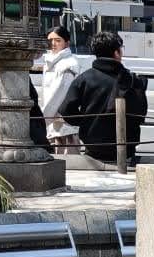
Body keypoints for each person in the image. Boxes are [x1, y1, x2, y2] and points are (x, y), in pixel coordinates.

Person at [58, 31, 148, 165]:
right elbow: (141, 112)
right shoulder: (132, 80)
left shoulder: (85, 79)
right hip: (126, 150)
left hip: (93, 148)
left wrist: (85, 121)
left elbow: (66, 109)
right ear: (117, 53)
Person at [40, 25, 81, 152]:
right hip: (52, 118)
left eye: (58, 40)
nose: (53, 43)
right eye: (50, 40)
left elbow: (60, 94)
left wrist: (44, 117)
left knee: (68, 155)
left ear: (67, 43)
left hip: (64, 119)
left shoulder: (69, 64)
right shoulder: (49, 61)